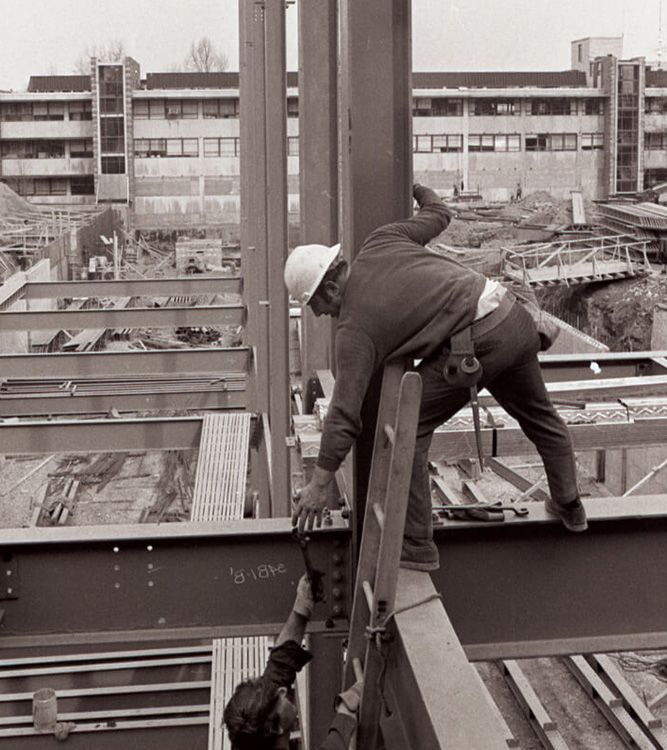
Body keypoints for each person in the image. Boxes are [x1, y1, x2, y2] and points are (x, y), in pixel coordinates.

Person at [284, 184, 587, 572]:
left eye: (315, 304)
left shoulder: (354, 331)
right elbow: (440, 213)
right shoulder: (382, 241)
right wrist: (416, 189)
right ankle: (569, 505)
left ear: (329, 286)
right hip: (513, 318)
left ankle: (416, 545)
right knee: (540, 417)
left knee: (406, 427)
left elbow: (345, 415)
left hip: (477, 345)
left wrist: (319, 484)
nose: (318, 314)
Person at [223, 575, 360, 750]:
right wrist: (346, 713)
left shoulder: (254, 734)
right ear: (277, 727)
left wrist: (302, 606)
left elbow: (280, 664)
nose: (282, 690)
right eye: (279, 696)